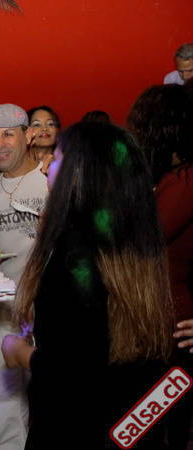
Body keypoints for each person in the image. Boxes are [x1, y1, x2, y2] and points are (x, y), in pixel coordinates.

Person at [2, 121, 173, 449]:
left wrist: (20, 353)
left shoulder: (74, 255)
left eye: (57, 158)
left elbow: (69, 378)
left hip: (76, 427)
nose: (46, 166)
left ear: (79, 173)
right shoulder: (135, 240)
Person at [0, 103, 47, 450]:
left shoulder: (52, 181)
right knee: (5, 396)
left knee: (52, 388)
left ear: (28, 136)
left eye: (7, 134)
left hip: (50, 303)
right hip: (5, 305)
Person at [127, 83, 193, 450]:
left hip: (172, 324)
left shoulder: (184, 180)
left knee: (150, 424)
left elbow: (140, 238)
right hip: (159, 320)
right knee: (155, 424)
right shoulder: (170, 178)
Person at [26, 105, 61, 173]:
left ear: (57, 130)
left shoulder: (67, 163)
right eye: (37, 124)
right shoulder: (14, 164)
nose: (44, 128)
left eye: (50, 124)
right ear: (26, 132)